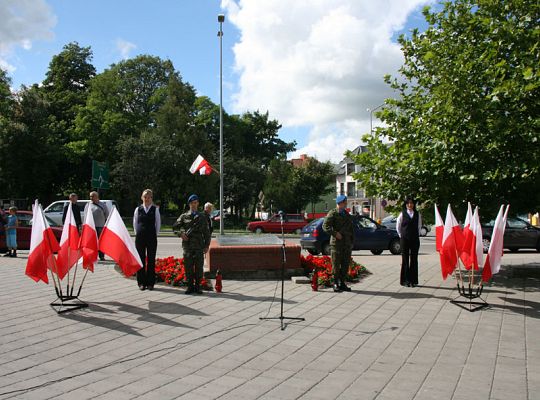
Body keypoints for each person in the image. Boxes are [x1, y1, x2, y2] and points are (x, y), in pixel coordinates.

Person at [175, 194, 211, 294]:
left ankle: (198, 287)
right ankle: (190, 286)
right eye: (192, 203)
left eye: (196, 203)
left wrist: (207, 245)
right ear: (189, 204)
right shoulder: (184, 216)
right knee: (188, 267)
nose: (194, 205)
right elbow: (175, 227)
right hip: (187, 246)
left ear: (198, 203)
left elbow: (207, 233)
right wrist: (181, 234)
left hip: (199, 246)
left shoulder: (202, 217)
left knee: (199, 267)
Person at [323, 195, 354, 292]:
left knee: (345, 264)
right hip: (336, 243)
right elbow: (325, 226)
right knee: (336, 264)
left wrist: (352, 241)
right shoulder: (333, 213)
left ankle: (342, 283)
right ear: (340, 203)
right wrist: (335, 234)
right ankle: (335, 283)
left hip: (346, 243)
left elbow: (351, 229)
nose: (346, 204)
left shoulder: (347, 214)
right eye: (344, 202)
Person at [133, 189, 161, 291]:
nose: (147, 199)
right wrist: (138, 234)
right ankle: (141, 282)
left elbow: (158, 224)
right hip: (140, 237)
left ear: (151, 198)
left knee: (151, 260)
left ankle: (150, 283)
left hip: (151, 237)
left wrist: (154, 234)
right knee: (140, 260)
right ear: (142, 197)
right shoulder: (138, 209)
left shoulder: (155, 209)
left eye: (149, 197)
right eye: (145, 197)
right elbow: (135, 223)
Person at [396, 197, 422, 287]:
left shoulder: (417, 214)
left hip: (414, 239)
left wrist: (416, 235)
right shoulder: (402, 214)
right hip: (404, 239)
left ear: (414, 204)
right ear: (406, 204)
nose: (410, 205)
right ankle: (405, 280)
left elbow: (419, 226)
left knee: (414, 259)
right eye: (408, 203)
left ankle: (413, 280)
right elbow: (398, 227)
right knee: (405, 259)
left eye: (411, 203)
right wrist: (401, 236)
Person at [88, 191, 109, 261]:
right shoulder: (88, 205)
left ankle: (101, 256)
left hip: (100, 226)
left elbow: (107, 215)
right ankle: (92, 256)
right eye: (90, 196)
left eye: (92, 196)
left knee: (101, 242)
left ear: (97, 197)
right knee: (92, 243)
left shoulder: (103, 205)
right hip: (91, 227)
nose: (91, 198)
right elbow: (86, 216)